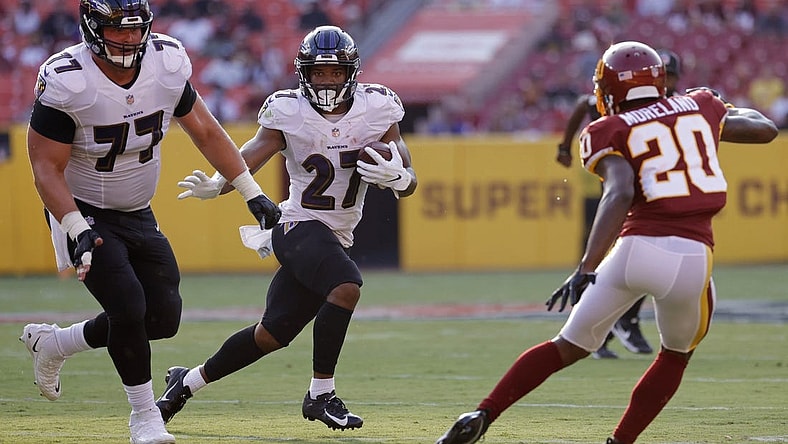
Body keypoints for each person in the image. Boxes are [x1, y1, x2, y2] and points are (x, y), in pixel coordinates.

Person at [437, 41, 777, 444]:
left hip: (634, 251)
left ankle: (484, 412)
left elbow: (619, 192)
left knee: (566, 345)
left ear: (609, 88)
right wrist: (722, 107)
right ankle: (621, 441)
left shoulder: (606, 129)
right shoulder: (700, 105)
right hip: (691, 256)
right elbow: (764, 129)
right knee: (675, 355)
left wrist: (586, 267)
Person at [19, 1, 281, 443]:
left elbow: (206, 131)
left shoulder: (166, 62)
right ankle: (145, 417)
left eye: (135, 29)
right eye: (117, 30)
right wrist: (75, 227)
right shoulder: (68, 80)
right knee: (127, 306)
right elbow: (45, 165)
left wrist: (250, 193)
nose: (128, 39)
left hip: (138, 209)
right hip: (84, 210)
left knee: (162, 318)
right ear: (91, 27)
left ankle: (56, 343)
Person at [154, 25, 417, 432]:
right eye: (319, 73)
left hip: (336, 236)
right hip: (296, 223)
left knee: (270, 335)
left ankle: (184, 384)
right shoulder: (288, 110)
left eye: (334, 72)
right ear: (304, 74)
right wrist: (219, 183)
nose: (327, 81)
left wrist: (399, 178)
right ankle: (320, 395)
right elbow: (250, 156)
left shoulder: (378, 108)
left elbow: (410, 175)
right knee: (347, 285)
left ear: (351, 72)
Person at [554, 49, 682, 359]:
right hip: (620, 190)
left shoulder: (676, 101)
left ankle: (615, 325)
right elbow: (584, 104)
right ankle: (612, 323)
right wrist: (564, 145)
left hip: (650, 191)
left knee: (640, 259)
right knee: (615, 258)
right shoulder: (614, 100)